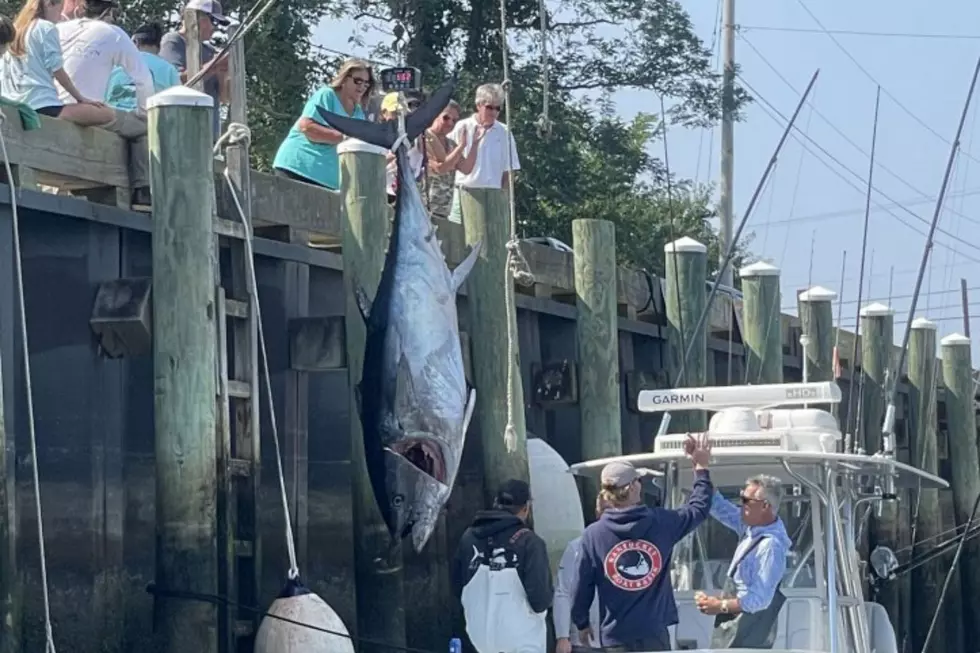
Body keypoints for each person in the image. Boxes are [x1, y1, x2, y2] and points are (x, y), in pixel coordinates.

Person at [572, 435, 714, 652]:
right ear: (631, 489)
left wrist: (581, 622)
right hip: (654, 634)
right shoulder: (661, 523)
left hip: (616, 637)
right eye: (638, 480)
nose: (640, 484)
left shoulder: (593, 534)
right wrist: (701, 468)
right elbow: (699, 508)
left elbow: (582, 585)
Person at [56, 0, 155, 211]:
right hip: (86, 112)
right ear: (108, 11)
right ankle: (143, 191)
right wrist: (143, 115)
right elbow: (143, 80)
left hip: (50, 109)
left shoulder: (57, 29)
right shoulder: (113, 33)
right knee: (147, 128)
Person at [451, 479, 553, 653]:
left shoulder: (468, 537)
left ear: (495, 503)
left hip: (479, 641)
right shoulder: (530, 542)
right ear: (526, 508)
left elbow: (456, 586)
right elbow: (540, 601)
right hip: (522, 643)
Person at [695, 475, 791, 649]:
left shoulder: (771, 546)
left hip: (747, 638)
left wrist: (719, 605)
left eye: (746, 500)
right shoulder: (751, 528)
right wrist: (701, 472)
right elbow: (720, 508)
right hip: (735, 634)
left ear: (765, 506)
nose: (741, 504)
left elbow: (759, 600)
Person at [1, 0, 111, 125]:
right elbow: (57, 70)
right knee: (107, 114)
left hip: (13, 102)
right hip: (42, 106)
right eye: (60, 11)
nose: (59, 18)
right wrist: (80, 98)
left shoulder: (16, 28)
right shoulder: (46, 27)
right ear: (50, 5)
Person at [271, 58, 374, 190]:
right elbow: (307, 127)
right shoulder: (327, 95)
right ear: (344, 78)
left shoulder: (359, 114)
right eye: (358, 81)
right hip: (297, 170)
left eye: (366, 83)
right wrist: (344, 138)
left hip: (329, 184)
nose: (362, 87)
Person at [447, 82, 520, 223]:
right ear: (478, 105)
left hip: (493, 197)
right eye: (489, 107)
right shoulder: (462, 126)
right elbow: (448, 161)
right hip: (462, 193)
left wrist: (504, 200)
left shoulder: (505, 132)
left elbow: (509, 171)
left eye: (497, 108)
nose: (494, 112)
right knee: (458, 239)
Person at [158, 0, 230, 141]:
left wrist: (223, 72)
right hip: (182, 132)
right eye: (213, 21)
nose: (214, 28)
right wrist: (214, 65)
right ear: (195, 17)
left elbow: (225, 98)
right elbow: (175, 83)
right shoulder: (173, 41)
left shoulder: (210, 51)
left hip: (209, 134)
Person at [554, 495, 608, 653]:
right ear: (597, 512)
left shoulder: (630, 547)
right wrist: (562, 637)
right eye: (605, 510)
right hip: (583, 641)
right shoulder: (576, 546)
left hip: (621, 639)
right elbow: (563, 591)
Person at [422, 98, 481, 220]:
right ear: (435, 115)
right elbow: (440, 168)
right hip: (423, 209)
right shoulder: (423, 138)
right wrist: (461, 147)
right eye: (446, 118)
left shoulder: (451, 145)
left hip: (443, 212)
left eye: (454, 120)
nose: (450, 123)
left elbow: (466, 168)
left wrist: (474, 144)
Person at [105, 22, 180, 112]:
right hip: (150, 121)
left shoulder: (116, 65)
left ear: (135, 42)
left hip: (113, 120)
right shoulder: (169, 70)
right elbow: (177, 105)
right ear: (159, 47)